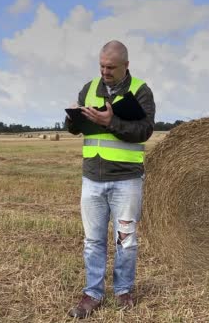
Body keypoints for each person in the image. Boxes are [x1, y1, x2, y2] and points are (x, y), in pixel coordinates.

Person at [65, 40, 156, 319]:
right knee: (92, 241)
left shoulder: (140, 91)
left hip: (126, 180)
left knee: (125, 240)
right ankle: (92, 294)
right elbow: (74, 131)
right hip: (92, 179)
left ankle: (123, 290)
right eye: (102, 66)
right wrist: (72, 119)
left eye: (111, 67)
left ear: (126, 66)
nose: (105, 71)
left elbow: (144, 131)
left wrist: (110, 123)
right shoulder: (89, 88)